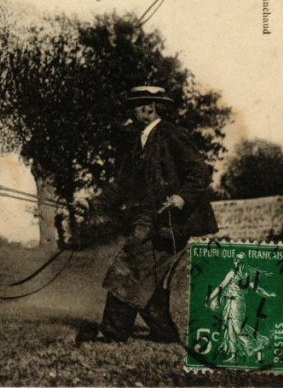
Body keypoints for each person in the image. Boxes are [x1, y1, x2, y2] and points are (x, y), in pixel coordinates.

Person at [74, 85, 218, 344]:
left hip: (174, 221)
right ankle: (164, 333)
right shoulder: (136, 143)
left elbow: (200, 171)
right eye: (140, 103)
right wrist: (91, 203)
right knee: (145, 274)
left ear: (159, 106)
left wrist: (182, 197)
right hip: (150, 219)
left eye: (152, 102)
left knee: (130, 265)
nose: (147, 107)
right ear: (132, 109)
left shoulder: (172, 134)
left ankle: (114, 332)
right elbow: (121, 186)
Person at [207, 253, 274, 362]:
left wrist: (267, 294)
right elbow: (221, 286)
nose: (237, 262)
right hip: (229, 302)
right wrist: (210, 298)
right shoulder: (232, 273)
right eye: (236, 260)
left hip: (237, 303)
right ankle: (234, 356)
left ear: (244, 263)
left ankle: (255, 349)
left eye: (239, 261)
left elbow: (256, 289)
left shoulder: (246, 275)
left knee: (238, 328)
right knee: (230, 329)